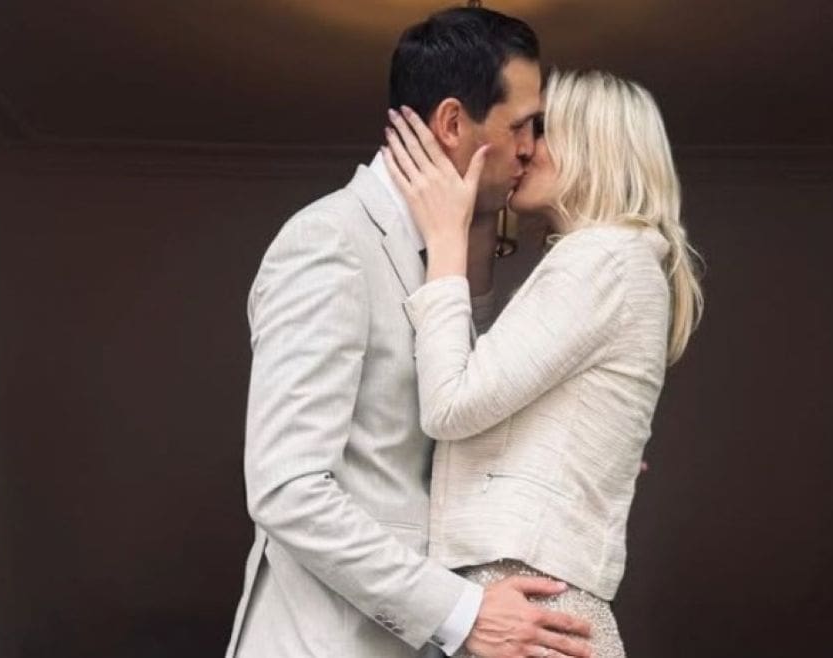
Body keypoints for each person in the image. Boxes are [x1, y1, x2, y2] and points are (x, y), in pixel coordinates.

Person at [225, 8, 594, 658]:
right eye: (521, 125)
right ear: (452, 123)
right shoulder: (330, 241)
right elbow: (288, 489)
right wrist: (462, 613)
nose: (532, 147)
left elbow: (459, 430)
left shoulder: (452, 255)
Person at [382, 68, 704, 658]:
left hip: (528, 603)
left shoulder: (604, 258)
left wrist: (447, 240)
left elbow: (451, 404)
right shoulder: (622, 261)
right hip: (531, 603)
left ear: (594, 146)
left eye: (544, 129)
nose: (525, 147)